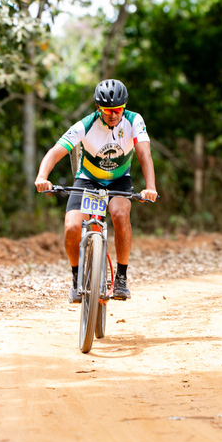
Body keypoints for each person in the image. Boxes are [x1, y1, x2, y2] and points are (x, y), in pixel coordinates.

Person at [34, 79, 158, 303]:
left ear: (125, 106)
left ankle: (121, 278)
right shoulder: (86, 124)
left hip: (119, 181)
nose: (113, 115)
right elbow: (55, 152)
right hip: (88, 180)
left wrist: (150, 187)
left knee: (120, 215)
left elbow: (144, 154)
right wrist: (42, 177)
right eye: (107, 110)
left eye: (118, 110)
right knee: (72, 227)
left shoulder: (134, 120)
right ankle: (75, 276)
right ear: (98, 108)